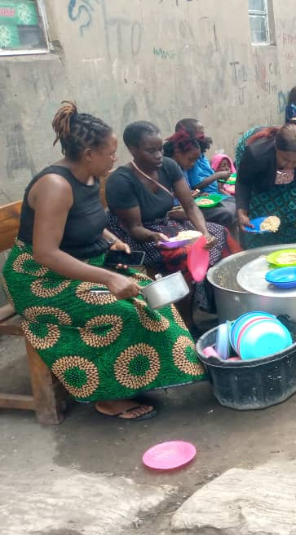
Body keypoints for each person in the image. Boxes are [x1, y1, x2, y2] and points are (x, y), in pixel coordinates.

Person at [2, 102, 206, 421]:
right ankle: (109, 396)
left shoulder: (92, 177)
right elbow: (45, 252)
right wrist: (108, 278)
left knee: (152, 298)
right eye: (110, 152)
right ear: (88, 153)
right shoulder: (56, 186)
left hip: (82, 263)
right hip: (41, 279)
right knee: (122, 312)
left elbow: (89, 221)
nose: (115, 158)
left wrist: (113, 240)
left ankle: (141, 375)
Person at [105, 121, 236, 322]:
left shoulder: (168, 165)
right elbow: (135, 228)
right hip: (135, 236)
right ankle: (186, 321)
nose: (158, 155)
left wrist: (204, 232)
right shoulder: (122, 180)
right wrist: (154, 235)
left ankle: (221, 303)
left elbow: (191, 206)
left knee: (220, 234)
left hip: (165, 224)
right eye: (151, 151)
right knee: (185, 256)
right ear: (133, 150)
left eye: (159, 149)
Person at [235, 125, 296, 248]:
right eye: (285, 159)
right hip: (260, 183)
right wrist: (242, 211)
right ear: (276, 148)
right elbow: (243, 183)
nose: (289, 166)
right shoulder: (255, 154)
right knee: (260, 229)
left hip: (293, 181)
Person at [164, 129, 238, 233]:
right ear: (177, 153)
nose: (192, 164)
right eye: (190, 159)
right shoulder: (166, 169)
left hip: (190, 204)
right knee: (226, 213)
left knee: (234, 202)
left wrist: (197, 194)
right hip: (178, 210)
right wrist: (184, 195)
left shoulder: (183, 168)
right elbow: (167, 197)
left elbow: (187, 191)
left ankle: (237, 244)